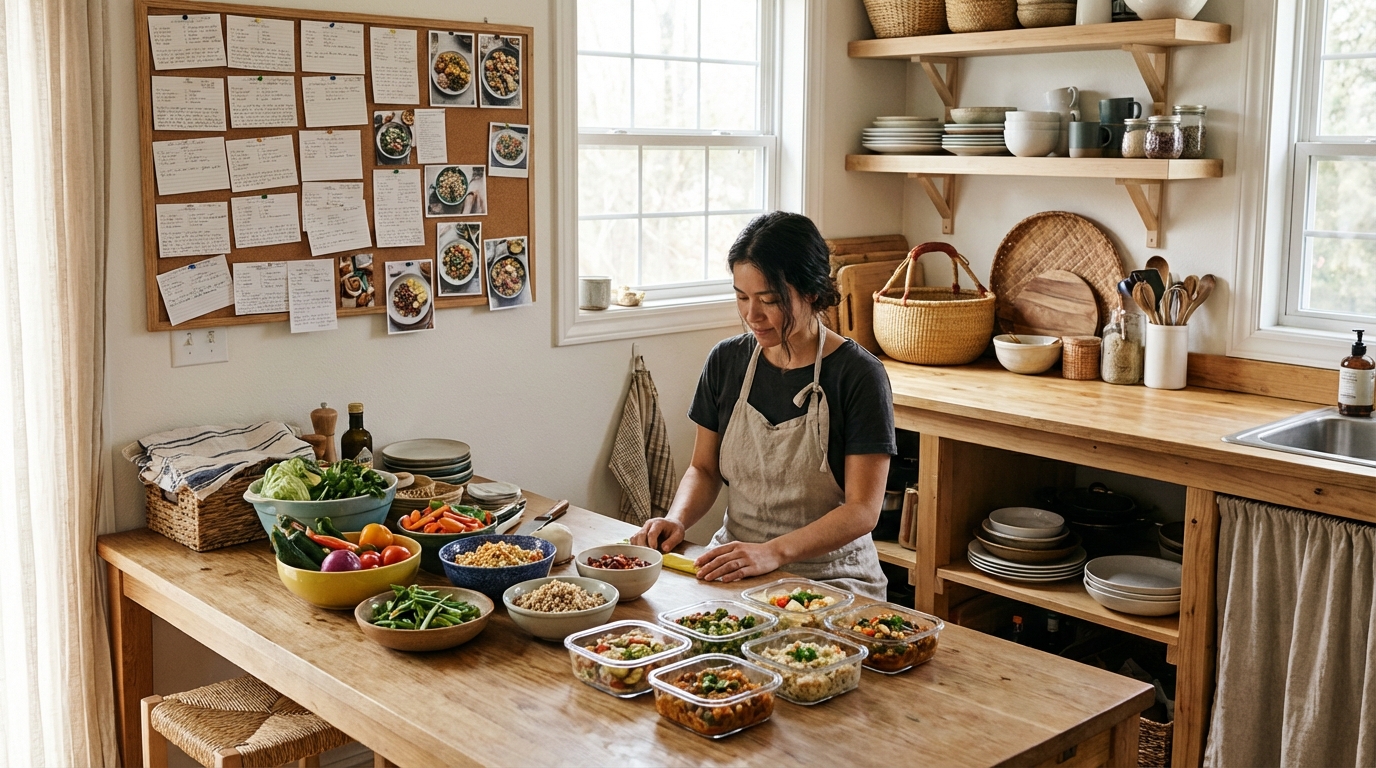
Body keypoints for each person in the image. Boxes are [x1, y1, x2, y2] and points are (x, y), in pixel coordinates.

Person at [630, 212, 896, 599]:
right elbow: (703, 469)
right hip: (736, 566)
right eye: (741, 297)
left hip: (831, 577)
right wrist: (677, 519)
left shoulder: (858, 375)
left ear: (812, 293)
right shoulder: (726, 361)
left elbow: (862, 510)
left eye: (769, 300)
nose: (751, 315)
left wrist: (773, 553)